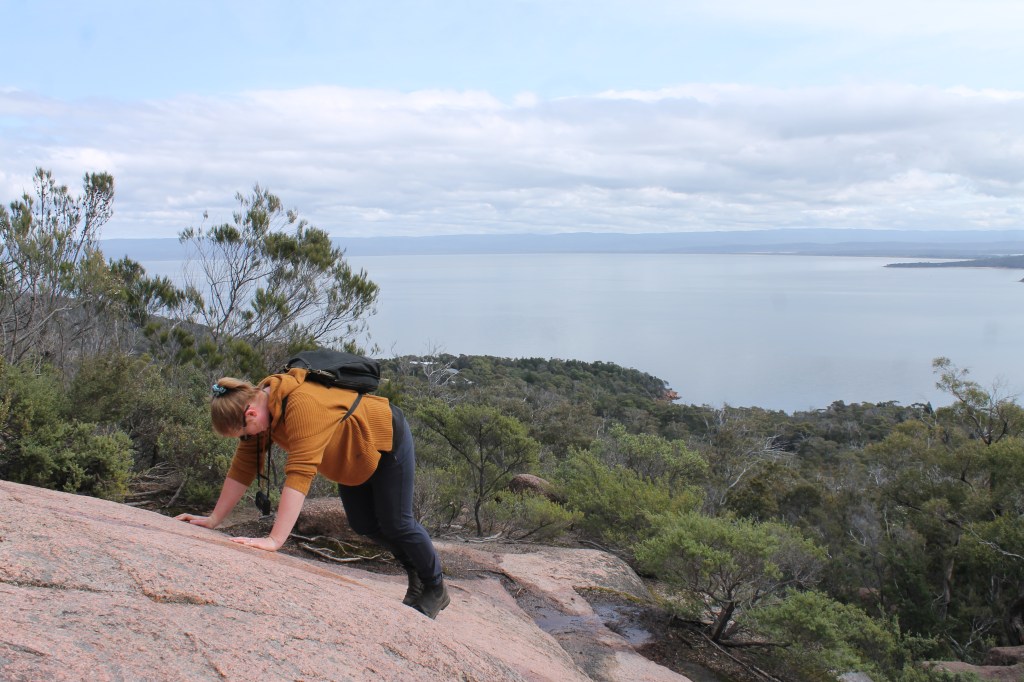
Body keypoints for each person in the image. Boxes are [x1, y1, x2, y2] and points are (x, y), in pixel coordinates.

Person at [174, 368, 450, 619]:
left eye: (242, 433)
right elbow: (244, 466)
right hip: (351, 458)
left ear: (250, 414)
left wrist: (274, 540)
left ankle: (435, 587)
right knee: (364, 524)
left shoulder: (302, 405)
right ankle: (417, 574)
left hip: (385, 438)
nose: (244, 439)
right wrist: (214, 519)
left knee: (397, 523)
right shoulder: (259, 409)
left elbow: (300, 473)